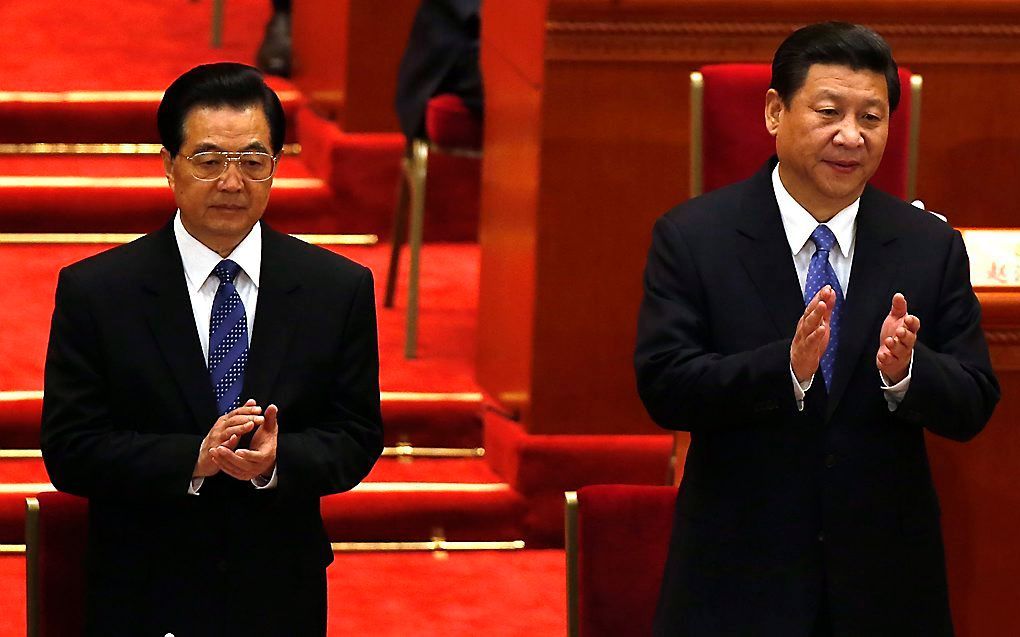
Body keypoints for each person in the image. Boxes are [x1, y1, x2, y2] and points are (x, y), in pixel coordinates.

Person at [634, 22, 999, 637]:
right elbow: (664, 385)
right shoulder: (695, 238)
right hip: (738, 576)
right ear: (775, 111)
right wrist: (786, 369)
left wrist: (905, 372)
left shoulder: (929, 247)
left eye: (872, 118)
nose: (850, 136)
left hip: (885, 582)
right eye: (829, 112)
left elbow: (974, 400)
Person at [41, 63, 383, 637]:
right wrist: (192, 459)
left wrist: (279, 461)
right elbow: (71, 450)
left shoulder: (336, 288)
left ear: (276, 167)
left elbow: (356, 436)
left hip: (279, 591)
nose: (232, 182)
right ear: (169, 165)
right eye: (208, 161)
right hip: (143, 591)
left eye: (253, 162)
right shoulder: (99, 292)